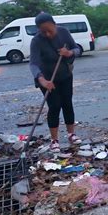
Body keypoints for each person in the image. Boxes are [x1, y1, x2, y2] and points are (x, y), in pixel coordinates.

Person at [30, 12, 82, 152]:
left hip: (65, 75)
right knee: (54, 106)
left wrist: (69, 53)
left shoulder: (64, 32)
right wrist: (41, 79)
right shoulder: (36, 41)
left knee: (67, 103)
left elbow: (77, 49)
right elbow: (33, 64)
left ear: (54, 24)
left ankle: (71, 134)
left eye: (49, 30)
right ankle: (54, 140)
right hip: (48, 80)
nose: (47, 34)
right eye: (43, 31)